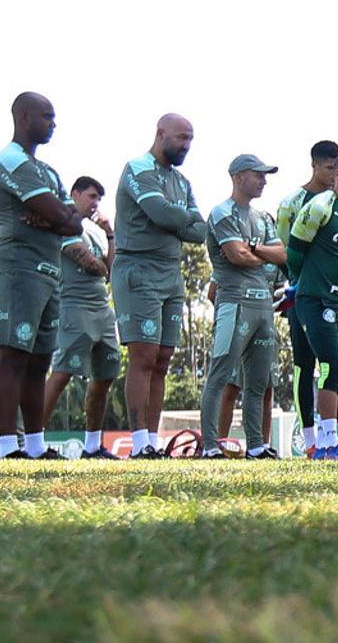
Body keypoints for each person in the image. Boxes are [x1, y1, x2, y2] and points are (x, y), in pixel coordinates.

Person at [0, 93, 84, 461]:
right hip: (17, 269)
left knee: (40, 360)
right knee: (13, 355)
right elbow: (60, 215)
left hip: (48, 271)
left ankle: (36, 445)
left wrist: (58, 215)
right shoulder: (10, 161)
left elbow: (72, 221)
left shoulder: (47, 171)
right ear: (24, 117)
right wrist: (58, 216)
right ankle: (8, 446)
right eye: (47, 116)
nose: (53, 124)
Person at [113, 114, 209, 460]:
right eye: (181, 138)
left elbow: (200, 232)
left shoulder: (181, 182)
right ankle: (139, 443)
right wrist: (179, 217)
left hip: (171, 272)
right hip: (138, 269)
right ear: (160, 134)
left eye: (190, 140)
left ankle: (152, 441)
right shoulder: (138, 169)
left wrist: (176, 216)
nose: (186, 146)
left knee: (163, 359)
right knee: (143, 356)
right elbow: (163, 215)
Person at [199, 155, 288, 460]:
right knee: (221, 375)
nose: (263, 180)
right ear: (238, 177)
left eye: (265, 175)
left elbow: (282, 255)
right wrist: (262, 253)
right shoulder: (222, 212)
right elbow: (236, 256)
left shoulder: (263, 218)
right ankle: (210, 446)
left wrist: (253, 249)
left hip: (264, 307)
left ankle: (257, 445)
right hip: (234, 303)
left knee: (259, 381)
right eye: (258, 175)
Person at [288, 152, 338, 460]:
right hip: (315, 299)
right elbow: (295, 250)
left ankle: (328, 434)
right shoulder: (320, 206)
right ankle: (326, 444)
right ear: (337, 175)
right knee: (330, 363)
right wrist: (299, 284)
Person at [42, 176, 120, 460]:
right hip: (74, 306)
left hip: (102, 308)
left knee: (105, 376)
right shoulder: (65, 223)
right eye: (90, 196)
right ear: (75, 194)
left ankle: (92, 445)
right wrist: (99, 265)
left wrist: (110, 234)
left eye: (99, 198)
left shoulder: (95, 231)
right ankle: (33, 441)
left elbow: (109, 269)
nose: (95, 203)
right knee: (63, 373)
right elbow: (85, 261)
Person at [278, 140, 338, 457]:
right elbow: (286, 251)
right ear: (315, 165)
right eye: (330, 168)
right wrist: (297, 286)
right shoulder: (293, 202)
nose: (335, 175)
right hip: (302, 297)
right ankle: (307, 438)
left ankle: (331, 434)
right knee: (305, 363)